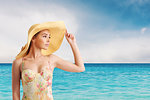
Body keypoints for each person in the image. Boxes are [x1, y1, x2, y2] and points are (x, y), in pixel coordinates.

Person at [12, 21, 85, 100]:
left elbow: (80, 68)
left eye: (49, 37)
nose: (48, 40)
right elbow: (15, 93)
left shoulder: (51, 59)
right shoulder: (19, 62)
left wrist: (73, 43)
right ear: (33, 38)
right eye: (44, 36)